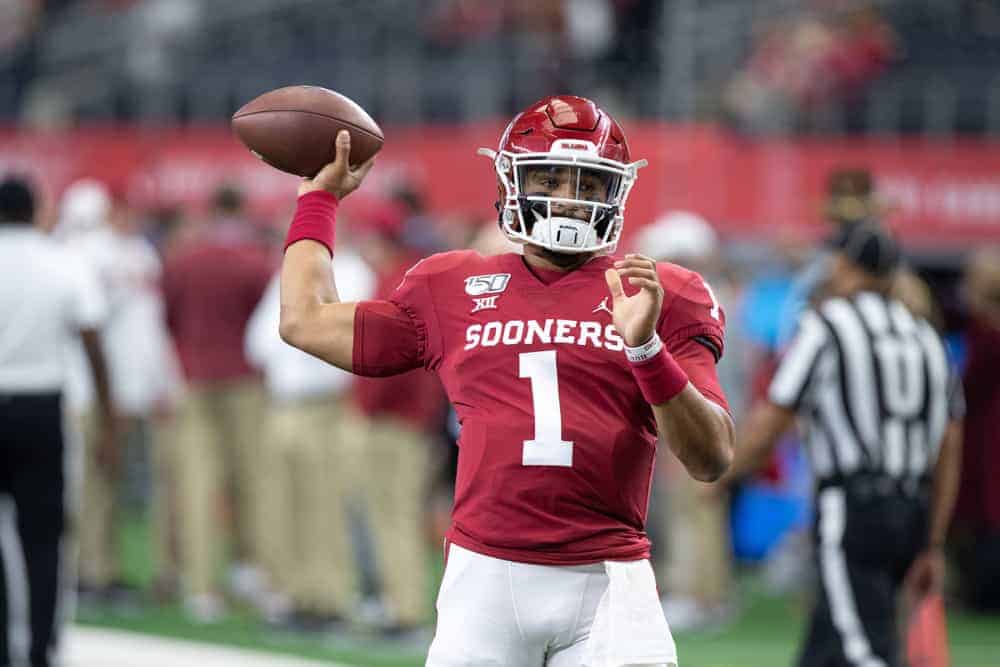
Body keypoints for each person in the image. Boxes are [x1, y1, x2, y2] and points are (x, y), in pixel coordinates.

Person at [279, 96, 734, 666]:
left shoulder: (658, 290)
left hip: (610, 581)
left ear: (615, 192)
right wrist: (318, 200)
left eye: (588, 185)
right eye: (550, 178)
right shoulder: (451, 284)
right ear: (510, 181)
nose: (568, 200)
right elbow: (305, 320)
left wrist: (645, 349)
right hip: (485, 579)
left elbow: (712, 456)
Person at [722, 223, 964, 667]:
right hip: (912, 508)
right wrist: (933, 539)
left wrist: (724, 472)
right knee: (827, 646)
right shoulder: (927, 337)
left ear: (846, 264)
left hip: (852, 507)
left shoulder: (827, 326)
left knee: (862, 650)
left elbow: (776, 413)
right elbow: (950, 444)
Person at [0, 176, 115, 667]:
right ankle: (43, 647)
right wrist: (109, 415)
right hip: (41, 406)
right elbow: (92, 338)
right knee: (44, 538)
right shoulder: (61, 261)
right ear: (36, 209)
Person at [244, 244, 374, 628]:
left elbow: (353, 338)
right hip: (283, 403)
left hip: (326, 405)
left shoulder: (353, 270)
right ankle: (296, 595)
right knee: (283, 505)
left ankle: (329, 598)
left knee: (325, 506)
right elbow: (257, 341)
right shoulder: (290, 269)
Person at [161, 184, 273, 621]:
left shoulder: (183, 260)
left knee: (197, 485)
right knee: (254, 483)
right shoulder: (254, 262)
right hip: (245, 380)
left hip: (195, 379)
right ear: (242, 209)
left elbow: (168, 317)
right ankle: (252, 570)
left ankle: (201, 588)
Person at [634, 211, 743, 631]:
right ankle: (708, 594)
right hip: (707, 413)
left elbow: (720, 375)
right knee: (698, 509)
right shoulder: (719, 296)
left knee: (692, 508)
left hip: (699, 414)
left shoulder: (705, 301)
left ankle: (695, 592)